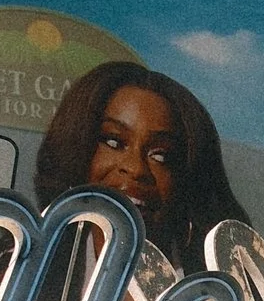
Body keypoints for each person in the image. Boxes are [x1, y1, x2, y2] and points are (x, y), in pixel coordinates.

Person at [32, 59, 246, 281]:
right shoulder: (28, 268)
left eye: (161, 155)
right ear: (77, 150)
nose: (136, 169)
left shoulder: (225, 285)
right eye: (114, 142)